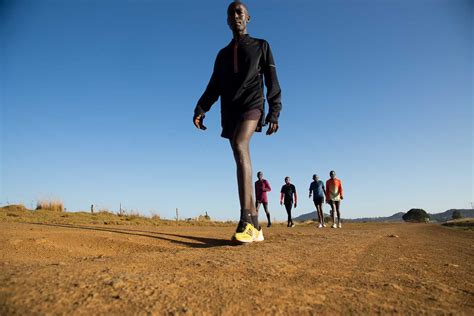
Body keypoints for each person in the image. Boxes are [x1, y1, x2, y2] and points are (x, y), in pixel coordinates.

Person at [193, 1, 282, 243]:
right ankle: (255, 224)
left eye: (239, 11)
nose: (235, 15)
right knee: (240, 155)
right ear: (227, 21)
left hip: (252, 104)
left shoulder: (261, 46)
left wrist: (275, 111)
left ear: (248, 17)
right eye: (231, 13)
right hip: (229, 111)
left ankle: (244, 220)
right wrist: (201, 108)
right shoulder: (222, 55)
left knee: (241, 145)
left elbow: (272, 80)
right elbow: (214, 85)